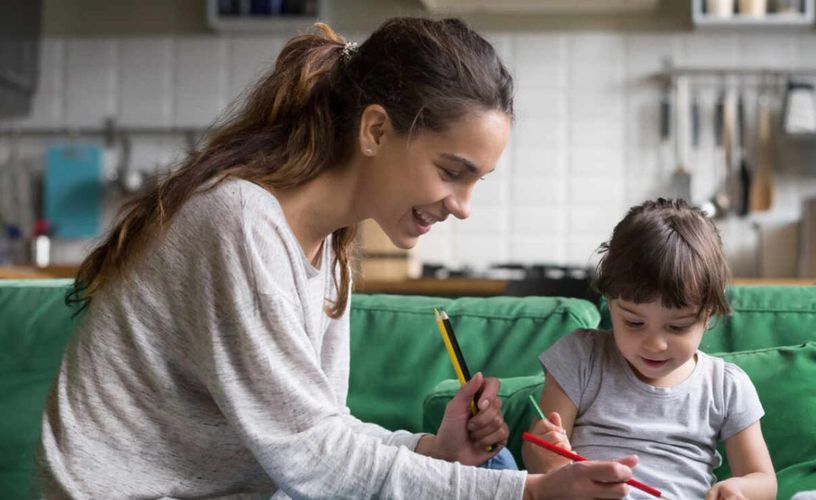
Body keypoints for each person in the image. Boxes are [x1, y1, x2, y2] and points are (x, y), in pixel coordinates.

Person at [39, 17, 640, 499]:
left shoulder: (329, 248)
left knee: (495, 467)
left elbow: (318, 431)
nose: (462, 206)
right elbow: (312, 458)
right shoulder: (241, 222)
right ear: (376, 131)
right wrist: (525, 493)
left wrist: (432, 451)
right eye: (452, 172)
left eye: (477, 181)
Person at [522, 198, 778, 500]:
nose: (655, 344)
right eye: (633, 323)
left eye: (677, 326)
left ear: (708, 314)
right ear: (611, 302)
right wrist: (546, 457)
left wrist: (738, 489)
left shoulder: (726, 386)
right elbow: (542, 460)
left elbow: (763, 481)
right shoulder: (582, 357)